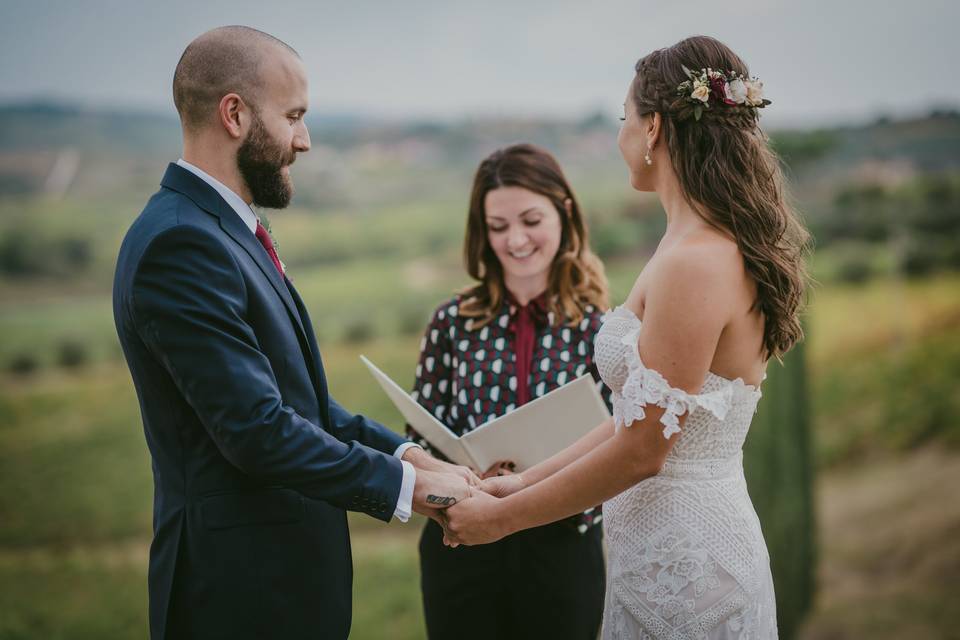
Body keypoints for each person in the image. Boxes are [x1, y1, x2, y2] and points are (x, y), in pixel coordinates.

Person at [112, 26, 474, 640]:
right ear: (234, 114)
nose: (304, 140)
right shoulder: (183, 243)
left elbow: (297, 404)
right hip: (236, 597)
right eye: (294, 116)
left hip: (279, 589)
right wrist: (416, 491)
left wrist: (411, 456)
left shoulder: (220, 229)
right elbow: (257, 431)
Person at [443, 36, 810, 639]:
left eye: (624, 118)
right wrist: (522, 482)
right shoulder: (689, 244)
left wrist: (503, 519)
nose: (621, 135)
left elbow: (643, 449)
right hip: (659, 556)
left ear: (654, 129)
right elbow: (632, 417)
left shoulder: (695, 261)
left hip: (690, 572)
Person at [407, 143, 612, 639]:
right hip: (462, 546)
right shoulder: (451, 322)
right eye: (498, 227)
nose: (515, 240)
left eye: (530, 220)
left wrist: (534, 484)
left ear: (564, 212)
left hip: (563, 548)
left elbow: (617, 443)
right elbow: (417, 434)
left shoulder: (601, 331)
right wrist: (457, 473)